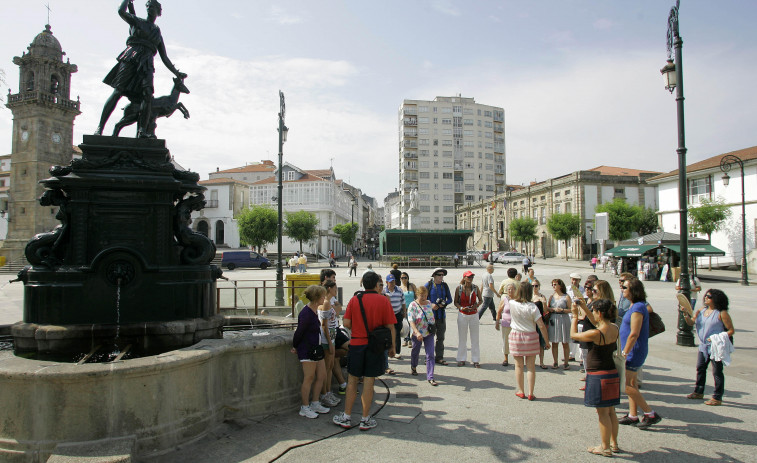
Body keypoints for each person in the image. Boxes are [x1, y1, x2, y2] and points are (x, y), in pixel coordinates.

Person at [95, 0, 187, 138]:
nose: (150, 9)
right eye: (148, 6)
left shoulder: (156, 31)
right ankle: (100, 128)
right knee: (118, 92)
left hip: (147, 63)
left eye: (153, 7)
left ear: (158, 11)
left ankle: (142, 131)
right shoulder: (137, 21)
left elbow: (164, 57)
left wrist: (176, 72)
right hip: (131, 56)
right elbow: (121, 12)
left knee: (147, 96)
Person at [332, 272, 396, 431]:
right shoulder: (383, 300)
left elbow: (346, 322)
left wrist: (359, 329)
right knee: (369, 381)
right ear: (376, 285)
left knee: (353, 380)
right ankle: (365, 419)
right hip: (375, 347)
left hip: (357, 344)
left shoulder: (355, 299)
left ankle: (346, 417)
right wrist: (392, 347)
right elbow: (390, 326)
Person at [570, 298, 621, 456]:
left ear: (599, 313)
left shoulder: (595, 333)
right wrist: (584, 307)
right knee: (611, 411)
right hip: (611, 372)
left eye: (594, 311)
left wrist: (574, 316)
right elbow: (596, 321)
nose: (592, 314)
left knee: (602, 414)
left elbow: (574, 335)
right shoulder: (614, 327)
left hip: (598, 375)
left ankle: (604, 447)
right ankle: (613, 443)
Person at [618, 278, 662, 429]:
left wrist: (625, 352)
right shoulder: (634, 305)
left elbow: (634, 333)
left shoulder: (638, 308)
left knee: (627, 385)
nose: (622, 289)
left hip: (633, 351)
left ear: (633, 290)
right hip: (632, 350)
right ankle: (633, 414)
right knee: (632, 384)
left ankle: (650, 413)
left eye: (625, 287)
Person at [681, 289, 735, 406]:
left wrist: (717, 337)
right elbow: (691, 323)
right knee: (700, 368)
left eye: (709, 296)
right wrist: (685, 314)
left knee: (717, 371)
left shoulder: (721, 313)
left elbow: (731, 330)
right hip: (703, 345)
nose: (706, 298)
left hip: (716, 346)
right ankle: (698, 391)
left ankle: (717, 397)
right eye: (706, 296)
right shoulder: (701, 311)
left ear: (716, 299)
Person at [292, 285, 332, 418]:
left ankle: (315, 402)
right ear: (316, 298)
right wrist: (295, 346)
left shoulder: (313, 311)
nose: (324, 298)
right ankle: (304, 407)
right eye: (322, 296)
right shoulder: (306, 313)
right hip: (308, 350)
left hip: (316, 349)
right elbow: (299, 332)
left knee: (321, 375)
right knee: (308, 378)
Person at [508, 281, 551, 400]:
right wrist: (547, 341)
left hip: (516, 334)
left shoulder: (512, 303)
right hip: (530, 335)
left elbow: (509, 297)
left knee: (518, 366)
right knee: (531, 367)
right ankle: (531, 392)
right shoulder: (533, 307)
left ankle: (521, 390)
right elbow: (541, 325)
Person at [317, 281, 342, 408]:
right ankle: (324, 394)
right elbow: (323, 325)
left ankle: (328, 392)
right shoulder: (326, 303)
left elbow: (338, 311)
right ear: (329, 288)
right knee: (327, 367)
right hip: (327, 338)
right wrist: (330, 343)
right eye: (335, 287)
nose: (336, 289)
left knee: (330, 366)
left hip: (331, 336)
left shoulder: (329, 301)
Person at [407, 285, 438, 385]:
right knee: (415, 351)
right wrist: (416, 332)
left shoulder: (428, 303)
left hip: (429, 333)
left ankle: (430, 376)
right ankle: (413, 365)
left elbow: (431, 307)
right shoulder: (413, 305)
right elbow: (411, 320)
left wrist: (436, 306)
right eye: (421, 296)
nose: (424, 298)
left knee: (430, 354)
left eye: (425, 295)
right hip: (418, 333)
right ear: (417, 295)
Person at [454, 271, 482, 367]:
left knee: (475, 338)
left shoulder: (475, 288)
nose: (470, 278)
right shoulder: (459, 288)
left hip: (473, 314)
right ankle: (461, 358)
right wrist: (461, 308)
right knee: (462, 338)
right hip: (463, 314)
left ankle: (475, 359)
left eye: (472, 277)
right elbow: (456, 302)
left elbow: (481, 300)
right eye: (469, 277)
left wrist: (476, 305)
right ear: (464, 278)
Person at [425, 268, 452, 366]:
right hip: (430, 316)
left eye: (442, 275)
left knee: (440, 338)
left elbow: (450, 299)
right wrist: (430, 304)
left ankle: (439, 357)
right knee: (429, 338)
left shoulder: (444, 286)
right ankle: (428, 357)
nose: (441, 276)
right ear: (434, 276)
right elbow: (421, 299)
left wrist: (443, 304)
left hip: (441, 316)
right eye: (439, 275)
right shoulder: (429, 285)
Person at [546, 279, 573, 370]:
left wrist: (562, 310)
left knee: (565, 342)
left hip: (563, 318)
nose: (553, 286)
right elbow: (548, 308)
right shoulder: (551, 297)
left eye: (555, 284)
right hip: (554, 318)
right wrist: (552, 309)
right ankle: (555, 361)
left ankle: (566, 362)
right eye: (552, 284)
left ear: (560, 286)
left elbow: (571, 309)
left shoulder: (566, 297)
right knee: (555, 342)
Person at [382, 274, 405, 363]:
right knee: (388, 333)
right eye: (390, 282)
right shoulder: (384, 291)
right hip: (387, 315)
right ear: (386, 282)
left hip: (397, 314)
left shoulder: (399, 290)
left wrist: (404, 312)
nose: (392, 283)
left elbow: (403, 302)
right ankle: (388, 351)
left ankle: (397, 351)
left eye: (393, 282)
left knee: (397, 333)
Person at [496, 281, 516, 367]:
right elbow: (499, 311)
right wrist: (497, 322)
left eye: (512, 289)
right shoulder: (505, 299)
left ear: (515, 290)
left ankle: (517, 358)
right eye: (508, 289)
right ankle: (506, 358)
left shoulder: (518, 300)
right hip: (506, 323)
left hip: (516, 324)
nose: (510, 291)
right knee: (506, 341)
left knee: (516, 342)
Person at [531, 279, 549, 369]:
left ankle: (541, 362)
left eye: (536, 286)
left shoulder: (542, 296)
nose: (534, 287)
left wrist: (544, 303)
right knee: (532, 343)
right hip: (531, 322)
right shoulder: (529, 297)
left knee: (541, 343)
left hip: (540, 321)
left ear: (539, 286)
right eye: (532, 286)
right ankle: (532, 361)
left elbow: (545, 311)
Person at [399, 272, 417, 348]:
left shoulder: (412, 286)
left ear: (408, 278)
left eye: (405, 277)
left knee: (412, 324)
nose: (404, 279)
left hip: (412, 308)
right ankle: (406, 339)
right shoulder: (399, 288)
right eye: (402, 278)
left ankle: (410, 340)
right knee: (405, 324)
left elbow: (417, 296)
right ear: (400, 279)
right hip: (404, 308)